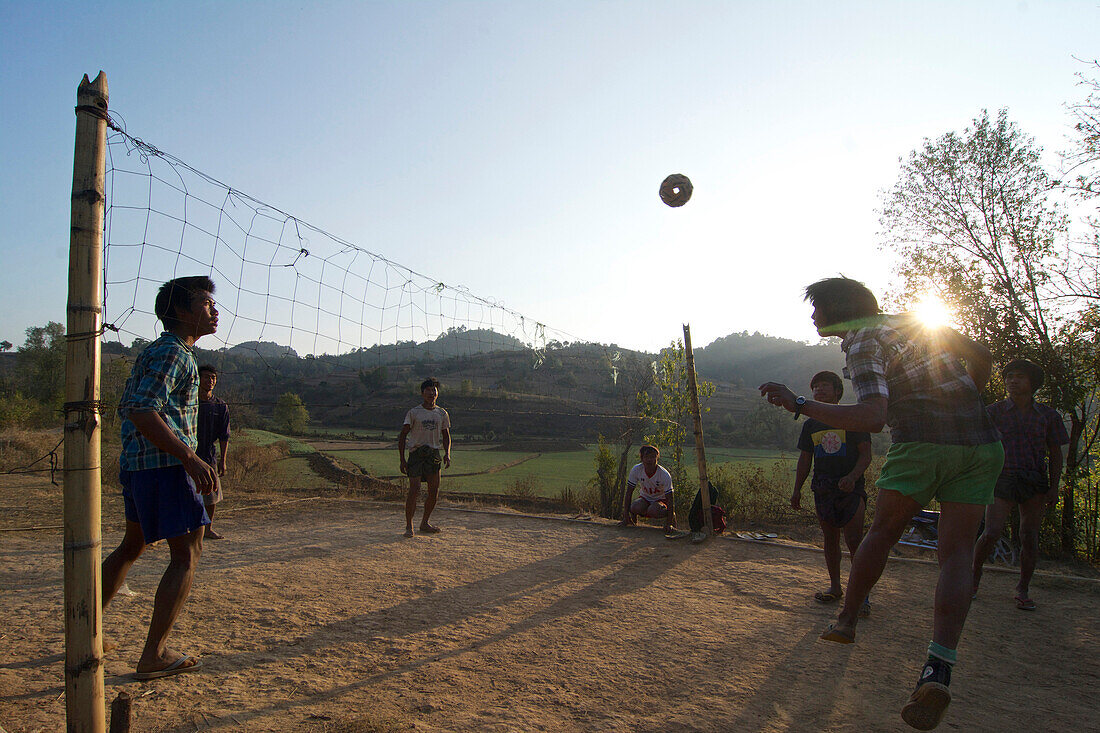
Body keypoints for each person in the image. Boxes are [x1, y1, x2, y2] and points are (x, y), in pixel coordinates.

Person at [759, 277, 1003, 731]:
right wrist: (965, 400)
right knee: (958, 554)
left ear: (838, 309)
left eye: (817, 309)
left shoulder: (863, 342)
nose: (813, 318)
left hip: (923, 444)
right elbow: (983, 357)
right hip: (981, 443)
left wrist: (798, 402)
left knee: (882, 534)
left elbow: (872, 416)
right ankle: (938, 667)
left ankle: (848, 619)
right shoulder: (910, 323)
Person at [100, 276, 220, 680]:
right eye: (206, 303)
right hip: (164, 468)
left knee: (132, 547)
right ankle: (154, 654)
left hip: (139, 466)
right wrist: (189, 457)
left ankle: (86, 631)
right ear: (183, 312)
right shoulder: (175, 354)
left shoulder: (160, 350)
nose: (214, 310)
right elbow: (140, 408)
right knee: (186, 554)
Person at [972, 359, 1068, 611]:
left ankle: (1023, 588)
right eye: (1009, 376)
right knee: (991, 532)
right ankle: (973, 578)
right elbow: (980, 446)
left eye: (1020, 376)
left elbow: (1056, 454)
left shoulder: (1048, 416)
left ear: (1033, 383)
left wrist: (1054, 486)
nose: (1013, 381)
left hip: (1034, 481)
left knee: (1029, 536)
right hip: (1001, 478)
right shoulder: (993, 412)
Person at [792, 370, 873, 613]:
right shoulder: (810, 425)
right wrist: (796, 489)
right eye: (816, 387)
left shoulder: (854, 418)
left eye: (825, 386)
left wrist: (852, 477)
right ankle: (835, 587)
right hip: (823, 488)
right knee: (830, 539)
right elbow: (805, 459)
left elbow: (866, 455)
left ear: (838, 391)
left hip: (851, 488)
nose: (819, 390)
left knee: (855, 541)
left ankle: (862, 597)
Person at [398, 378, 451, 537]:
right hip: (416, 454)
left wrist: (447, 453)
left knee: (434, 491)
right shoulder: (414, 412)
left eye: (434, 390)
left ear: (438, 393)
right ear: (422, 393)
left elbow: (446, 436)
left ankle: (425, 522)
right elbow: (402, 436)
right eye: (428, 390)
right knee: (414, 490)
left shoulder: (442, 413)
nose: (431, 393)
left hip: (433, 455)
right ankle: (409, 526)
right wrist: (402, 459)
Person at [197, 364, 230, 540]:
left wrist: (223, 461)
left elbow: (224, 436)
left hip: (208, 455)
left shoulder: (220, 406)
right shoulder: (190, 403)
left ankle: (207, 529)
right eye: (206, 377)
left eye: (213, 378)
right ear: (198, 379)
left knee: (211, 495)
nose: (210, 381)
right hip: (188, 454)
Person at [618, 445, 675, 534]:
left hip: (660, 500)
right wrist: (626, 515)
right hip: (645, 498)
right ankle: (633, 522)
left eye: (653, 457)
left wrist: (669, 523)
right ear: (642, 458)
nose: (649, 460)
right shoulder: (636, 469)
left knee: (653, 510)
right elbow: (629, 492)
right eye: (646, 457)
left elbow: (670, 498)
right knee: (634, 507)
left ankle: (669, 515)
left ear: (657, 459)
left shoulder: (664, 474)